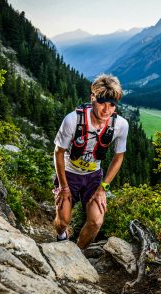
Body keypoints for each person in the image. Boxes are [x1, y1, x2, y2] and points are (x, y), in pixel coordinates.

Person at [53, 74, 129, 249]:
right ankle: (61, 235)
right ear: (92, 98)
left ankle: (77, 252)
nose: (106, 110)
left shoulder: (121, 125)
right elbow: (58, 152)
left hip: (94, 176)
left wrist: (103, 188)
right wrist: (64, 187)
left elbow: (119, 157)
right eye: (102, 102)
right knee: (63, 220)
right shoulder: (73, 120)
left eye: (112, 105)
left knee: (96, 221)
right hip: (69, 173)